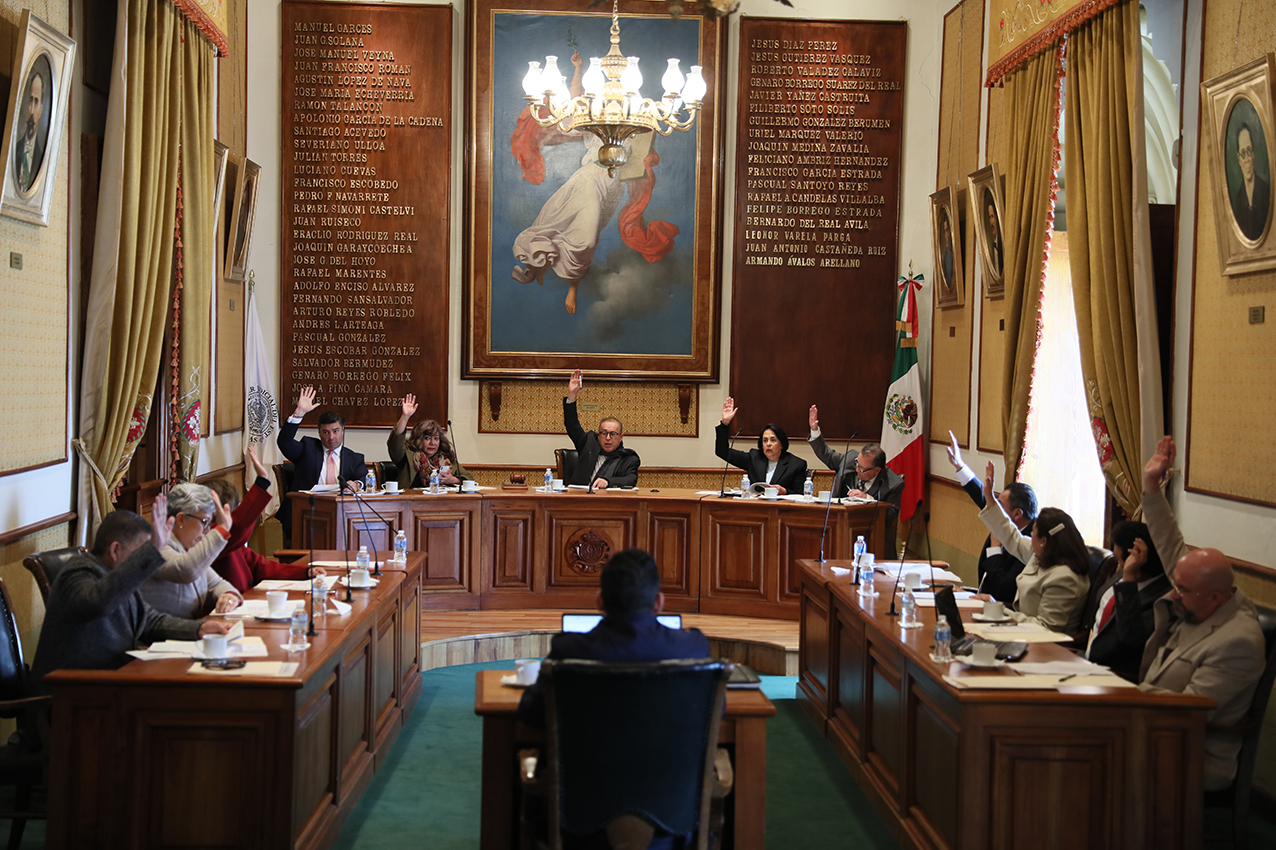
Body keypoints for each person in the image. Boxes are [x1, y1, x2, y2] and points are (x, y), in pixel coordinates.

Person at [1138, 435, 1266, 791]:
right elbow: (1171, 546)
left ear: (1215, 598)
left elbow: (1188, 710)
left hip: (1193, 753)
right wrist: (1151, 487)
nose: (1173, 593)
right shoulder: (1201, 593)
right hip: (1149, 729)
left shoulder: (1238, 642)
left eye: (1181, 589)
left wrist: (1119, 695)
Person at [31, 498, 233, 693]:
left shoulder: (117, 576)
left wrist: (199, 629)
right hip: (71, 695)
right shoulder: (77, 573)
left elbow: (150, 622)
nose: (141, 561)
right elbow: (97, 603)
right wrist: (149, 555)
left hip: (112, 683)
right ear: (115, 550)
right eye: (140, 553)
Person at [517, 548, 709, 728]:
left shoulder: (569, 650)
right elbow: (715, 707)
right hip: (672, 754)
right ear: (659, 603)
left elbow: (532, 711)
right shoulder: (692, 646)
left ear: (599, 601)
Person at [974, 461, 1090, 633]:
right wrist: (989, 498)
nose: (1029, 536)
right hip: (1020, 629)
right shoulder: (1044, 553)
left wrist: (999, 610)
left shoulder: (1065, 577)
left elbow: (1045, 628)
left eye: (1033, 532)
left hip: (1040, 642)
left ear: (1043, 540)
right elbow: (1011, 536)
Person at [207, 446, 324, 593]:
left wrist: (305, 572)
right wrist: (261, 483)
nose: (239, 511)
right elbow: (238, 526)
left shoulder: (234, 541)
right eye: (237, 507)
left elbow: (260, 567)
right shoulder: (212, 539)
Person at [945, 431, 1038, 605]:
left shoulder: (1032, 543)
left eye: (1000, 505)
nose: (995, 508)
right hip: (980, 598)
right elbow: (984, 500)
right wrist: (959, 465)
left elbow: (1004, 590)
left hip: (1000, 610)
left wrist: (995, 549)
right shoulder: (1006, 519)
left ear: (1017, 513)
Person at [276, 385, 368, 541]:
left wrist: (356, 485)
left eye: (335, 431)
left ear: (343, 430)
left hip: (341, 515)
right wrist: (299, 413)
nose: (331, 437)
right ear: (319, 433)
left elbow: (363, 479)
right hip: (306, 514)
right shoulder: (307, 448)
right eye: (326, 432)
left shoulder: (354, 458)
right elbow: (284, 443)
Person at [139, 483, 243, 619]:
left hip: (185, 629)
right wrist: (220, 531)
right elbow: (184, 570)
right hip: (158, 631)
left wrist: (229, 596)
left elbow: (217, 583)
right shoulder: (157, 544)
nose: (207, 530)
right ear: (181, 519)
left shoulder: (188, 547)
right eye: (204, 522)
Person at [1085, 520, 1169, 682]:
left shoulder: (1162, 599)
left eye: (1119, 560)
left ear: (1137, 562)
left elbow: (1131, 636)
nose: (1119, 566)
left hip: (1115, 675)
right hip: (1086, 661)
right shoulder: (1120, 575)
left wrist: (1129, 579)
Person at [807, 406, 904, 537]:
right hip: (839, 527)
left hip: (873, 535)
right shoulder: (850, 460)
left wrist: (868, 500)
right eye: (857, 464)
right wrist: (814, 430)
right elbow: (826, 454)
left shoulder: (894, 483)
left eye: (862, 469)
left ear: (877, 471)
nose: (857, 469)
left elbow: (890, 516)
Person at [562, 369, 640, 490]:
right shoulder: (588, 445)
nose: (608, 438)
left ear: (621, 437)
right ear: (598, 435)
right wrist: (572, 395)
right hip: (579, 497)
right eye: (604, 433)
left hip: (607, 499)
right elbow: (572, 424)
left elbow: (630, 479)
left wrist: (608, 481)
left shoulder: (629, 458)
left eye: (613, 434)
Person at [717, 398, 807, 495]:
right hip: (757, 503)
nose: (768, 444)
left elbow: (801, 495)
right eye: (765, 440)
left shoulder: (796, 465)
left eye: (773, 440)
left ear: (782, 444)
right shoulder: (754, 458)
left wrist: (785, 491)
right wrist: (725, 424)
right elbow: (722, 451)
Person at [388, 393, 473, 489]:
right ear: (419, 440)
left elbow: (470, 479)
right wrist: (405, 417)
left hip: (441, 497)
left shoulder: (445, 458)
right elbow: (395, 443)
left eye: (436, 438)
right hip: (412, 498)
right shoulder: (407, 456)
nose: (433, 443)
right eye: (427, 438)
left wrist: (454, 480)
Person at [1231, 123, 1270, 241]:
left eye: (1248, 151)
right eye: (1243, 154)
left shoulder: (1266, 191)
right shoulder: (1238, 200)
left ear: (1253, 155)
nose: (1247, 159)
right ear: (1239, 159)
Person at [984, 195, 1003, 277]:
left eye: (992, 217)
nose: (991, 222)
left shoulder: (1002, 243)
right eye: (989, 217)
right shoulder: (988, 246)